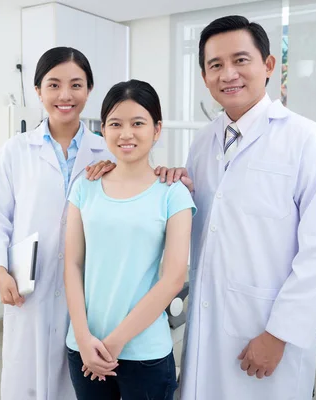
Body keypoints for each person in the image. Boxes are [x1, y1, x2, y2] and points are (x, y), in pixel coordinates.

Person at [157, 15, 316, 400]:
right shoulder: (202, 143)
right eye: (216, 65)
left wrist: (280, 333)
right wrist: (171, 188)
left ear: (268, 65)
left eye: (241, 60)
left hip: (265, 332)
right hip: (208, 327)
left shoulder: (307, 140)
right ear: (204, 76)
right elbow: (205, 226)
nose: (229, 74)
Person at [0, 46, 115, 400]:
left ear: (89, 89)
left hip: (88, 291)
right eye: (53, 85)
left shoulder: (108, 152)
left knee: (78, 383)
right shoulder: (16, 151)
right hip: (30, 292)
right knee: (27, 380)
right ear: (38, 91)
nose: (65, 95)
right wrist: (0, 269)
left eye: (76, 85)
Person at [64, 79, 197, 400]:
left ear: (156, 129)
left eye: (138, 123)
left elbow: (174, 277)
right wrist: (83, 338)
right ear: (104, 131)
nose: (126, 133)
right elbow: (72, 263)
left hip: (144, 352)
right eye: (115, 124)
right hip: (85, 347)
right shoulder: (85, 186)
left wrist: (114, 342)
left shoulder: (172, 193)